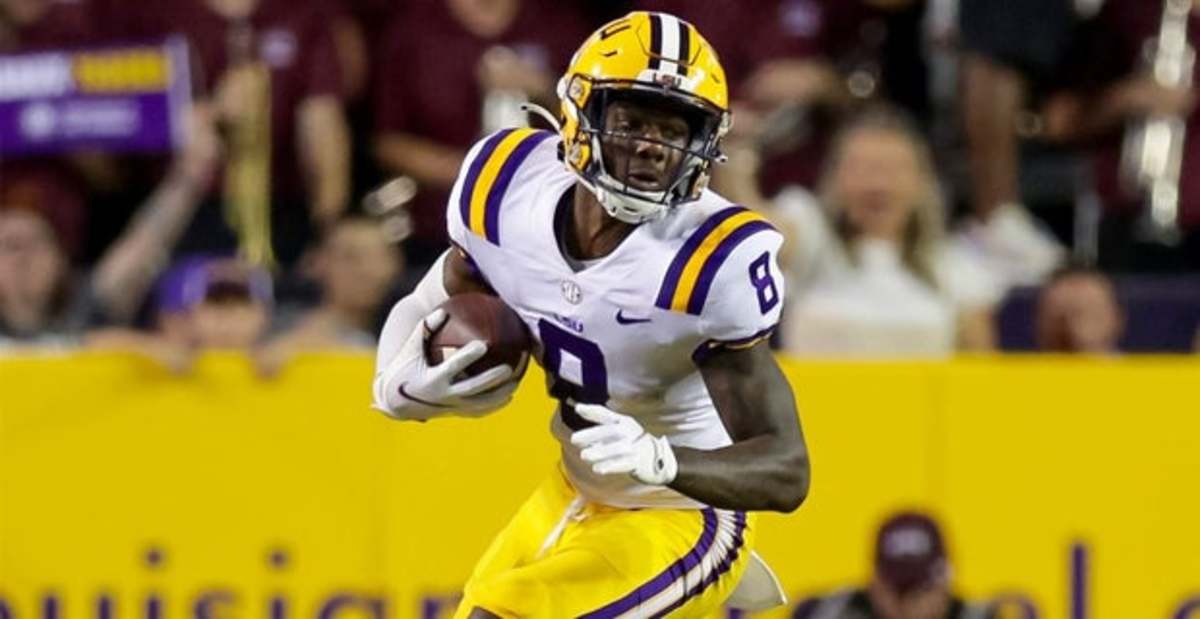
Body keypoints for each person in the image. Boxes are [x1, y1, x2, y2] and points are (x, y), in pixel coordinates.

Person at [372, 12, 810, 617]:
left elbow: (787, 471)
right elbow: (430, 298)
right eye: (632, 122)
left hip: (684, 516)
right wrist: (394, 384)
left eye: (674, 131)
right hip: (575, 489)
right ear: (582, 115)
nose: (652, 150)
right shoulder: (507, 188)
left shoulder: (711, 263)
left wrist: (664, 459)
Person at [720, 106, 1000, 357]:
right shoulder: (811, 232)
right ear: (835, 179)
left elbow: (981, 376)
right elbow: (756, 234)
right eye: (862, 168)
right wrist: (737, 159)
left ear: (921, 184)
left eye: (892, 169)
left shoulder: (956, 267)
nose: (877, 183)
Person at [372, 0, 589, 266]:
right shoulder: (414, 28)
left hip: (543, 234)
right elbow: (388, 142)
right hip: (434, 234)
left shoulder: (559, 24)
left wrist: (545, 89)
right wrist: (480, 173)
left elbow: (594, 130)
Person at [256, 216, 401, 375]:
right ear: (319, 262)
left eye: (379, 257)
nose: (368, 270)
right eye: (352, 258)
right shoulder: (282, 326)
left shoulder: (409, 331)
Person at [792, 512, 995, 619]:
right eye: (899, 590)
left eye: (921, 590)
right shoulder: (830, 613)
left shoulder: (980, 616)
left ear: (945, 585)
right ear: (875, 584)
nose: (909, 607)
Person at [1035, 266, 1123, 354]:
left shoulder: (1132, 367)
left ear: (1117, 318)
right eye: (1058, 315)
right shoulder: (1025, 366)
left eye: (1088, 313)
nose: (1070, 325)